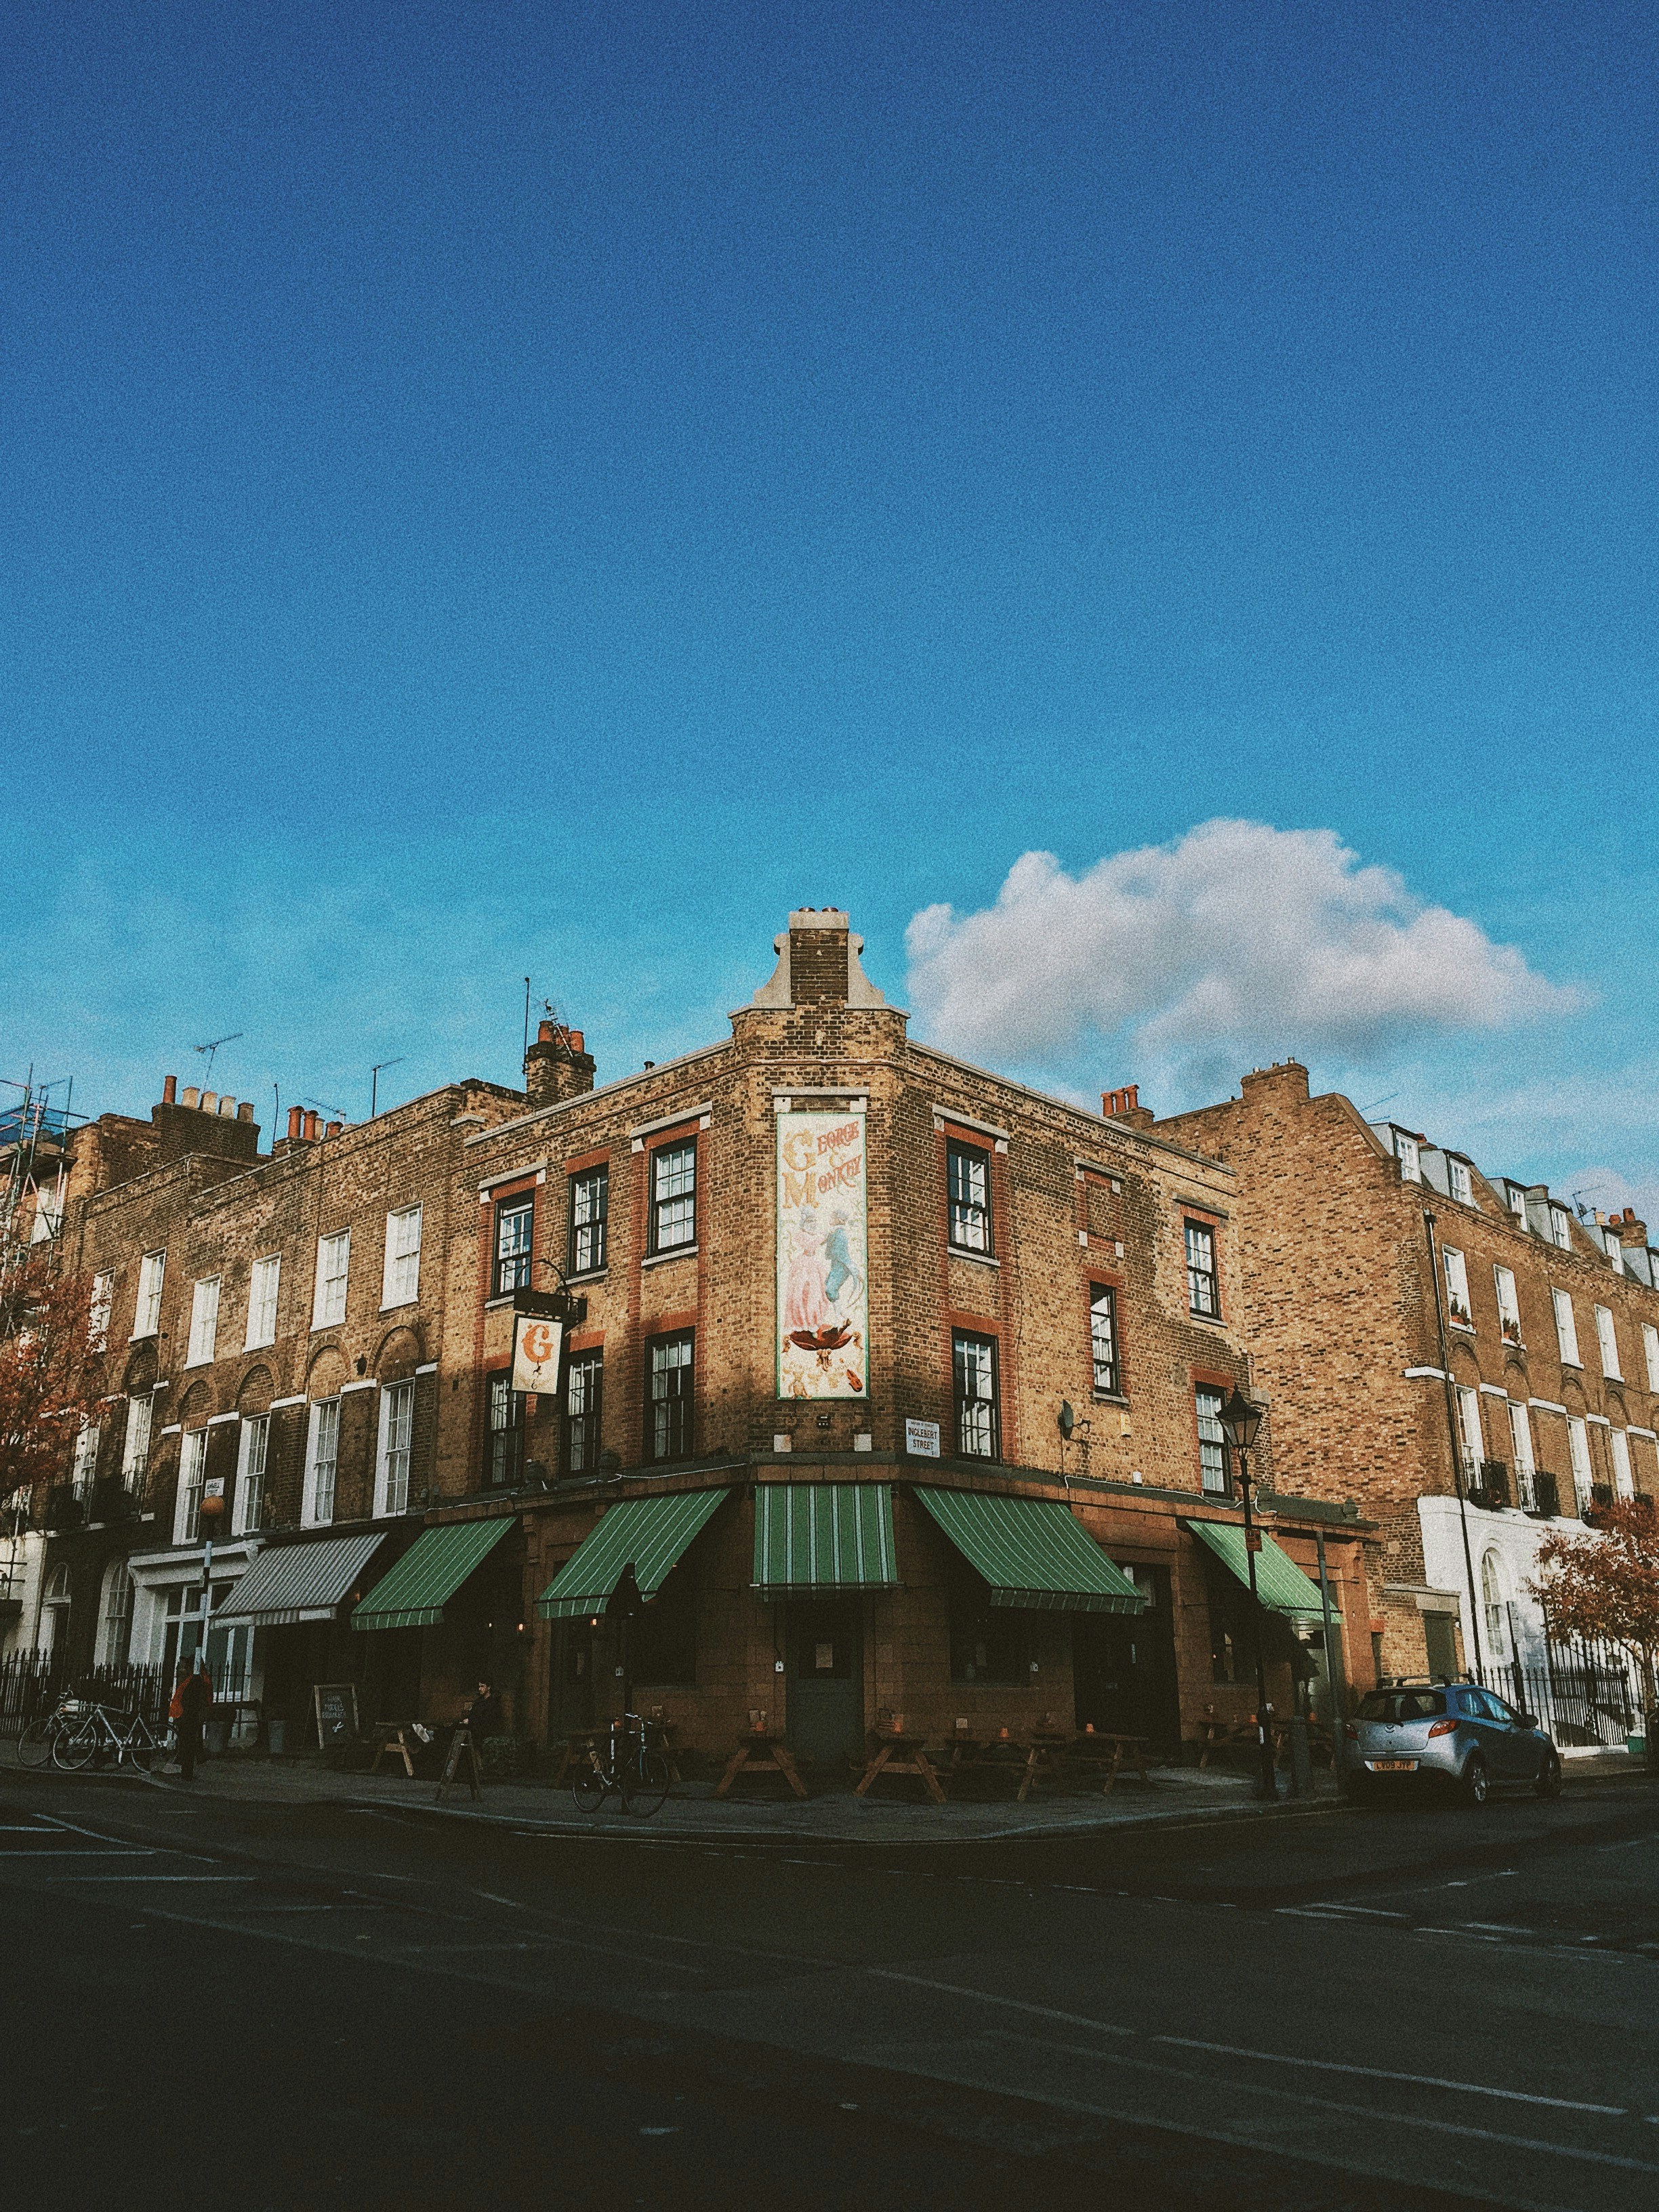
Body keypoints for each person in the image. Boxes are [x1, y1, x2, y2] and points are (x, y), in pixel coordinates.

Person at [169, 1654, 213, 1782]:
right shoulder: (195, 1678)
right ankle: (188, 1763)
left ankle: (186, 1771)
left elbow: (193, 1700)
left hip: (189, 1716)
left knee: (188, 1741)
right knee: (189, 1741)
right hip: (188, 1715)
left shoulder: (197, 1680)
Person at [463, 1679, 503, 1744]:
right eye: (479, 1686)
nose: (479, 1689)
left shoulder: (493, 1703)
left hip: (486, 1735)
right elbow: (473, 1714)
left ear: (489, 1687)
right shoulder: (478, 1702)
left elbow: (489, 1719)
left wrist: (470, 1721)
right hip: (475, 1733)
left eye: (482, 1686)